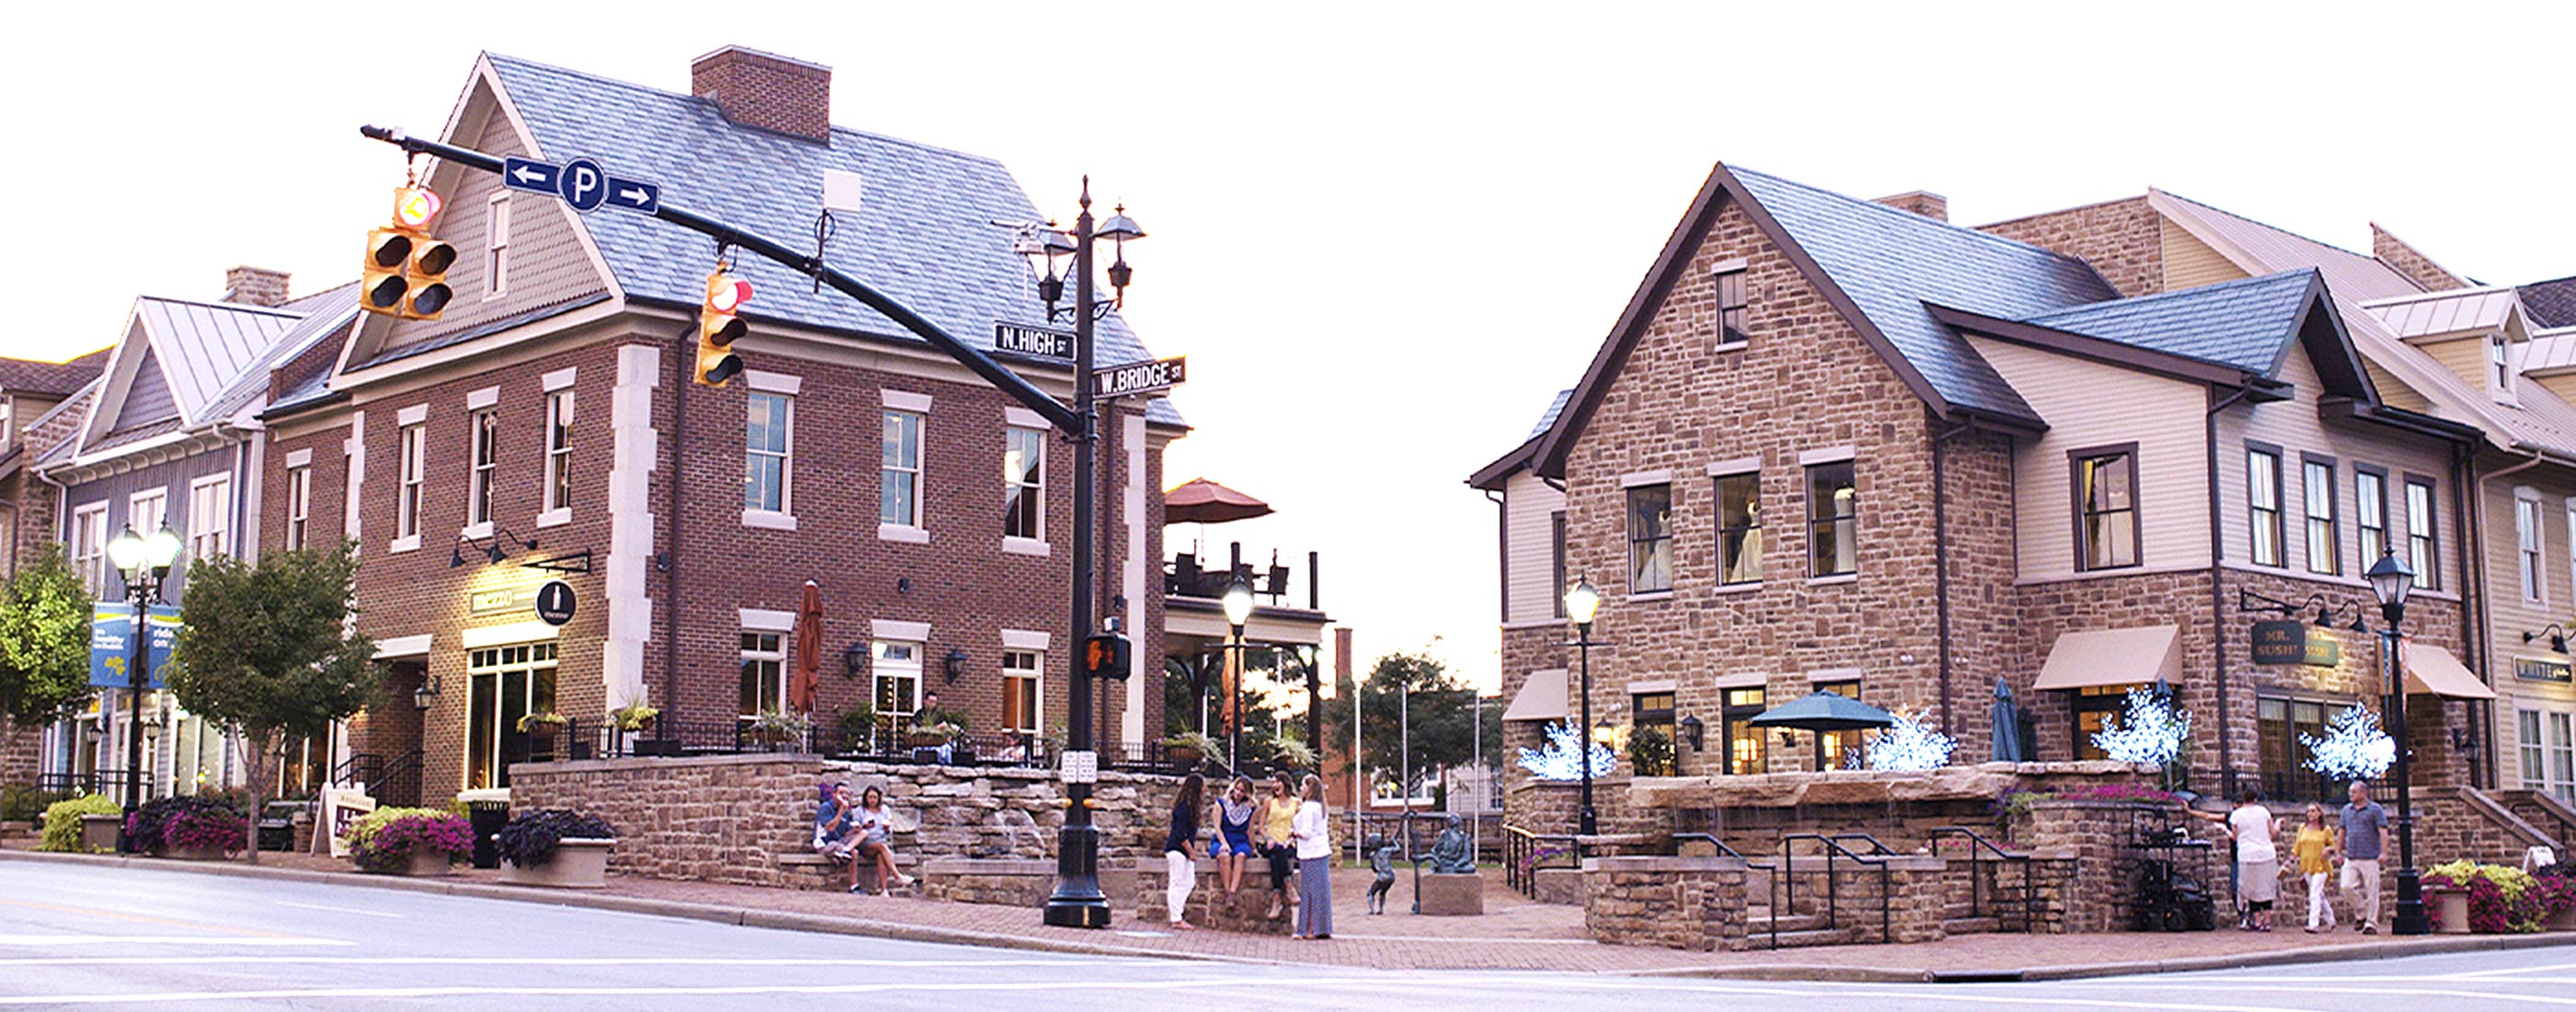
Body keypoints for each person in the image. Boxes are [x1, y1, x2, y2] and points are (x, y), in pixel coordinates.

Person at [2214, 787, 2281, 931]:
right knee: (2266, 887)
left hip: (2247, 854)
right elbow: (2273, 833)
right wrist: (2278, 825)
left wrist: (2224, 830)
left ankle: (2257, 920)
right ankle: (2267, 920)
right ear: (2256, 799)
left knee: (2251, 888)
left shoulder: (2237, 815)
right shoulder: (2264, 812)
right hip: (2266, 853)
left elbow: (2235, 836)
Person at [2339, 780, 2389, 934]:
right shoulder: (2347, 811)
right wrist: (2338, 851)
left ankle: (2371, 923)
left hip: (2370, 856)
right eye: (2350, 792)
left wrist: (2384, 852)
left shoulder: (2375, 810)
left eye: (2354, 792)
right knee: (2346, 887)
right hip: (2351, 855)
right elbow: (2342, 831)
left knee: (2372, 890)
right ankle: (2361, 911)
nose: (2351, 795)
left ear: (2363, 793)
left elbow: (2383, 832)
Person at [1289, 774, 1334, 939]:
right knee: (1320, 891)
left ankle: (1309, 929)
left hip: (1310, 853)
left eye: (1303, 785)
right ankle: (1320, 927)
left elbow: (1306, 832)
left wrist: (1294, 833)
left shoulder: (1308, 807)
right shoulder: (1321, 807)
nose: (1301, 789)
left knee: (1309, 891)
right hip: (1321, 850)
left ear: (1310, 788)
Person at [1160, 772, 1204, 929]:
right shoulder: (1184, 807)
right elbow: (1179, 832)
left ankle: (1178, 911)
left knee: (1189, 882)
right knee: (1177, 882)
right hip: (1177, 849)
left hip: (1184, 850)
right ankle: (1176, 918)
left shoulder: (1191, 807)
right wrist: (1190, 850)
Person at [850, 785, 913, 895]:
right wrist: (864, 826)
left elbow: (889, 829)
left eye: (874, 797)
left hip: (880, 840)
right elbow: (855, 829)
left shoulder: (884, 810)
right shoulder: (860, 811)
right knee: (882, 847)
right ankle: (897, 875)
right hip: (865, 842)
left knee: (881, 854)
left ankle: (884, 889)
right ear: (865, 798)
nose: (872, 800)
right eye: (870, 797)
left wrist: (887, 828)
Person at [2290, 802, 2339, 933]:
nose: (2310, 814)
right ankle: (2331, 919)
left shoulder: (2325, 829)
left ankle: (2313, 923)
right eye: (2308, 811)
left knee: (2314, 894)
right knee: (2319, 895)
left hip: (2321, 866)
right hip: (2307, 865)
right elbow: (2298, 846)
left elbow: (2333, 846)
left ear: (2319, 813)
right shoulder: (2303, 828)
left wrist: (2328, 850)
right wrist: (2292, 858)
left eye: (2313, 811)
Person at [1258, 771, 1299, 920]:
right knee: (1275, 850)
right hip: (1270, 843)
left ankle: (1276, 899)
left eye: (1277, 782)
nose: (1274, 785)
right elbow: (1261, 827)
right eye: (1273, 783)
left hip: (1288, 843)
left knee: (1277, 857)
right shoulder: (1269, 802)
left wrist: (1290, 839)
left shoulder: (1296, 803)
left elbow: (1298, 826)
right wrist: (1268, 838)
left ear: (1285, 783)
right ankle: (1288, 885)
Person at [812, 781, 866, 892]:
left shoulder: (846, 812)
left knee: (862, 836)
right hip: (825, 843)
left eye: (846, 793)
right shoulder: (826, 808)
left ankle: (853, 886)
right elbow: (830, 828)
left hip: (839, 842)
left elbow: (845, 833)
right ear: (834, 794)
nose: (844, 796)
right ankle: (842, 852)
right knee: (834, 846)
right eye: (841, 793)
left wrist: (856, 830)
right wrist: (841, 811)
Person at [1213, 777, 1259, 898]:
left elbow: (1250, 830)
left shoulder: (1250, 808)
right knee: (1225, 856)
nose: (1238, 793)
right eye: (1237, 789)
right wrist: (1224, 843)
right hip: (1223, 837)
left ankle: (1233, 892)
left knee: (1241, 856)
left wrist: (1254, 848)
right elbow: (1217, 826)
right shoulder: (1222, 803)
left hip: (1240, 840)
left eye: (1242, 791)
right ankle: (1229, 893)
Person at [1367, 835, 1398, 914]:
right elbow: (1398, 848)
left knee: (1370, 893)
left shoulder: (1372, 856)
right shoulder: (1386, 850)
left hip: (1382, 877)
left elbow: (1375, 870)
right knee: (1382, 892)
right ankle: (1381, 909)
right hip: (1391, 876)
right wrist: (1394, 841)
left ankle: (1372, 910)